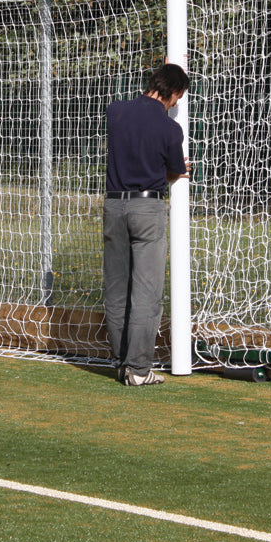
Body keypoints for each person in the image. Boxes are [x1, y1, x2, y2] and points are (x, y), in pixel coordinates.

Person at [103, 63, 190, 386]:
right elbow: (172, 170)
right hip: (147, 208)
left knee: (116, 289)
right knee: (146, 293)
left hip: (114, 205)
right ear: (175, 92)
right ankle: (138, 369)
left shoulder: (115, 112)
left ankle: (120, 361)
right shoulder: (169, 129)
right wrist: (179, 171)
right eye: (178, 98)